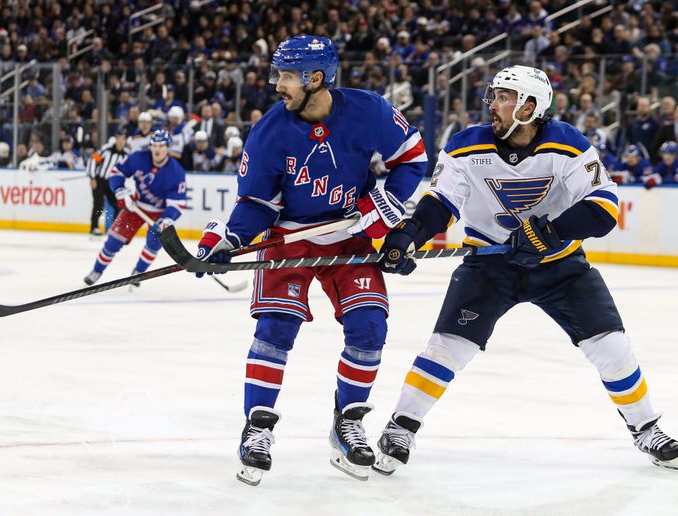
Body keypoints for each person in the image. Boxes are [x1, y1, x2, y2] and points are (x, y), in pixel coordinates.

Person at [371, 65, 678, 476]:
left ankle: (646, 427)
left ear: (530, 106)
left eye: (504, 97)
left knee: (612, 346)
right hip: (490, 266)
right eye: (494, 96)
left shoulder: (569, 144)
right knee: (448, 347)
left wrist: (551, 233)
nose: (493, 105)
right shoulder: (465, 146)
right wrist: (411, 233)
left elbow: (605, 207)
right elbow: (442, 203)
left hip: (560, 266)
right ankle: (401, 427)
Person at [192, 35, 427, 485]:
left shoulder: (369, 110)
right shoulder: (269, 132)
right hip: (290, 239)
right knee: (275, 331)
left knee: (370, 327)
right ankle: (257, 429)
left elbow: (412, 159)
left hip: (351, 238)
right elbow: (258, 202)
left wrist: (377, 212)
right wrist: (231, 239)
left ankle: (348, 424)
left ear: (315, 78)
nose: (277, 85)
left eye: (285, 76)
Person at [83, 129, 187, 285]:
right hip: (136, 207)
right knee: (114, 240)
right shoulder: (139, 158)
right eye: (154, 145)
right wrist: (119, 189)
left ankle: (138, 273)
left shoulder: (176, 173)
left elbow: (177, 204)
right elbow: (116, 172)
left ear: (168, 148)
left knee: (153, 243)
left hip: (160, 213)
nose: (157, 149)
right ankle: (97, 270)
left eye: (161, 146)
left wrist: (167, 219)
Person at [86, 127, 130, 236]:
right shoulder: (106, 149)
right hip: (100, 180)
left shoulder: (127, 155)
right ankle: (94, 227)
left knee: (118, 206)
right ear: (115, 139)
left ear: (125, 141)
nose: (120, 141)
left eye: (122, 139)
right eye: (118, 138)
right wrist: (92, 177)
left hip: (113, 183)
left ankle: (115, 229)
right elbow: (93, 159)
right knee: (99, 204)